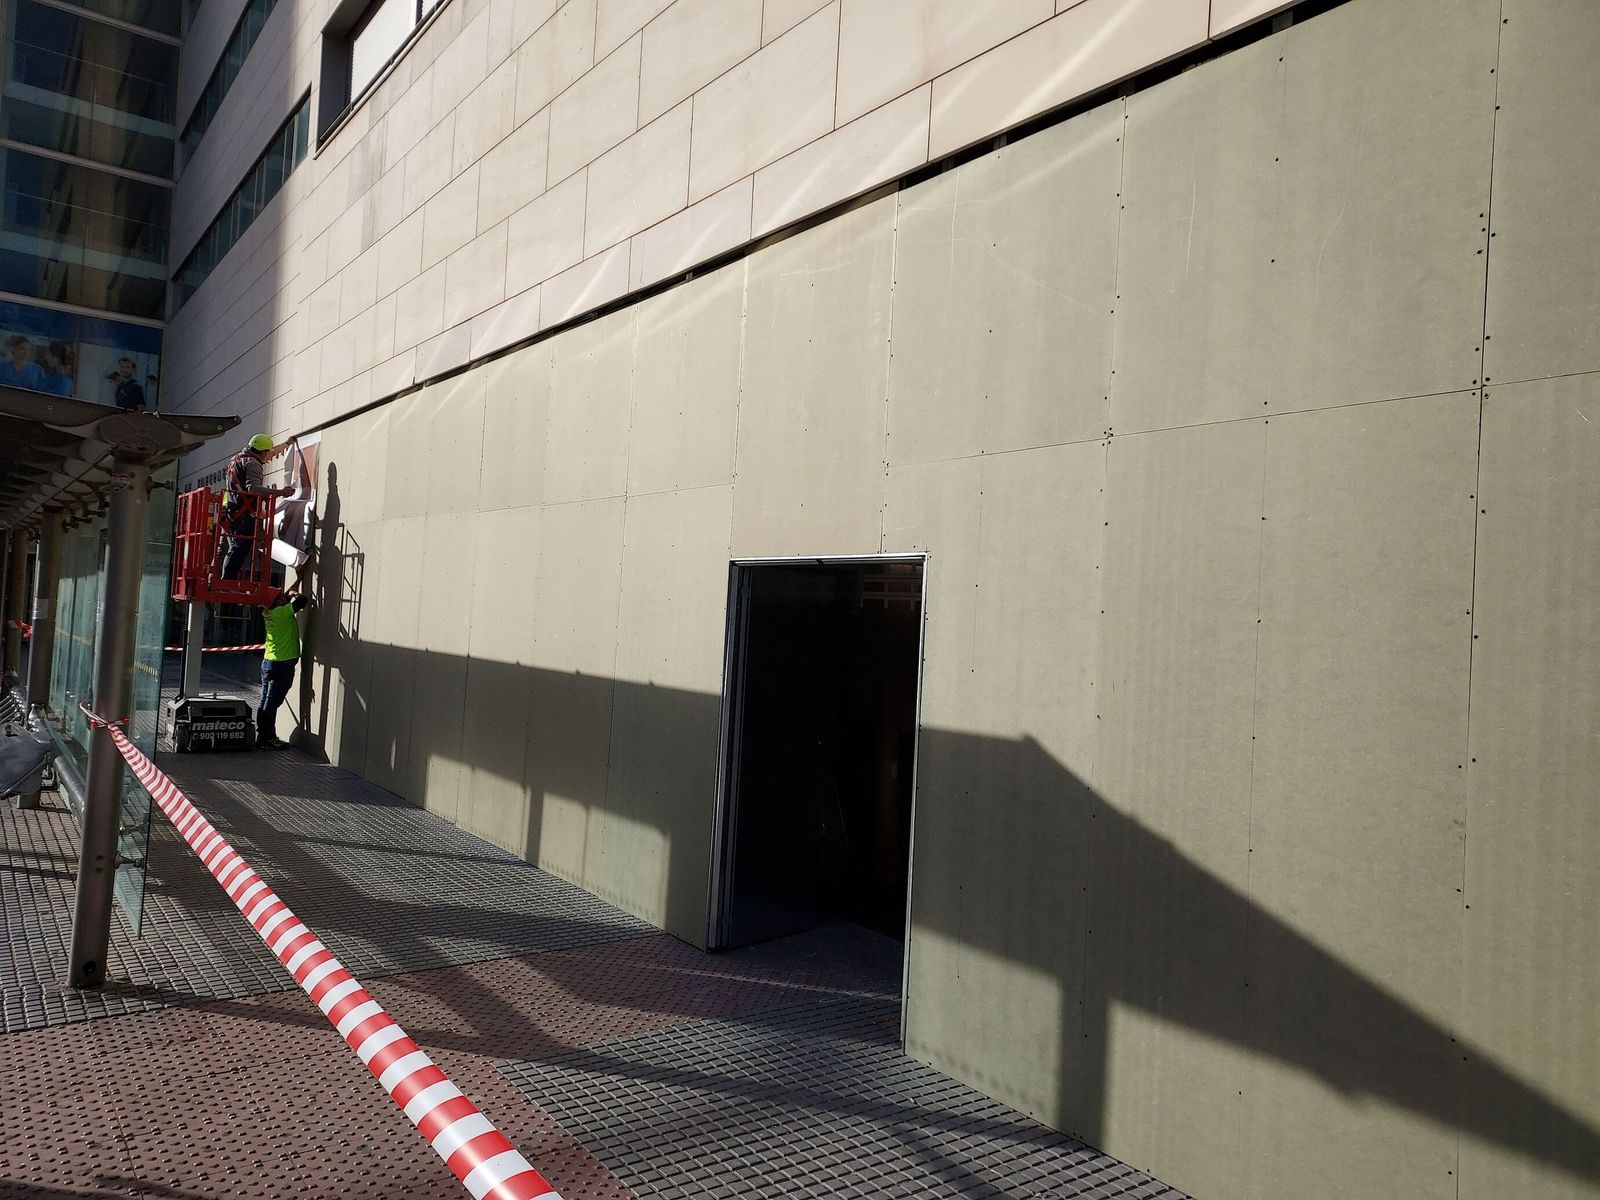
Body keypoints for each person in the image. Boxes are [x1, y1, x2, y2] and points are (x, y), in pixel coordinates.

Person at [221, 434, 293, 581]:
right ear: (262, 452)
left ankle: (226, 580)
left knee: (234, 548)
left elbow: (270, 454)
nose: (268, 457)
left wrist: (286, 444)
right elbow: (253, 488)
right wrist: (281, 492)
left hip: (232, 511)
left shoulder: (236, 460)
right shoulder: (253, 463)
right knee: (239, 548)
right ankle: (227, 581)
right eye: (267, 453)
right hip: (243, 514)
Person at [256, 585, 311, 749]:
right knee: (272, 703)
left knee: (265, 701)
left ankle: (263, 736)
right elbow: (303, 601)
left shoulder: (269, 612)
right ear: (276, 602)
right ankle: (268, 738)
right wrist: (295, 593)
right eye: (279, 596)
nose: (284, 596)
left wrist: (299, 577)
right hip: (281, 664)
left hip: (269, 662)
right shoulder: (282, 613)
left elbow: (284, 599)